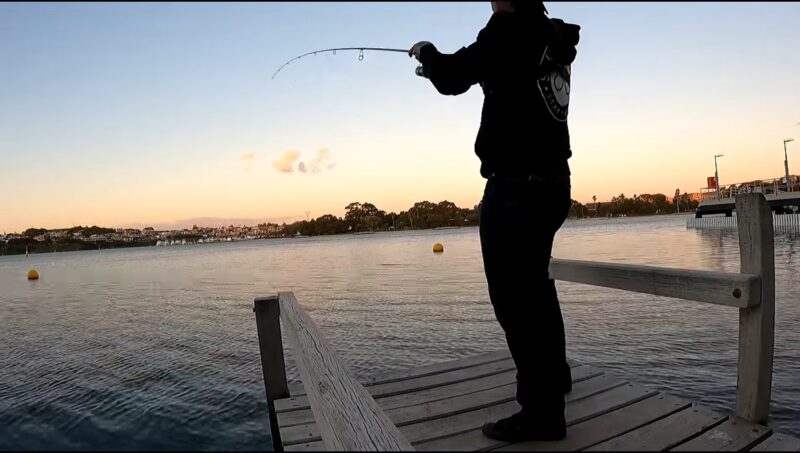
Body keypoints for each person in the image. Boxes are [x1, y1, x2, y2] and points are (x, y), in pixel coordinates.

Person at [409, 1, 580, 443]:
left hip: (516, 189)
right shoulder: (549, 38)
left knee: (515, 303)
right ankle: (555, 382)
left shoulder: (508, 29)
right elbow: (503, 79)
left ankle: (541, 414)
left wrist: (426, 52)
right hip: (553, 183)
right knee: (537, 290)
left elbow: (451, 76)